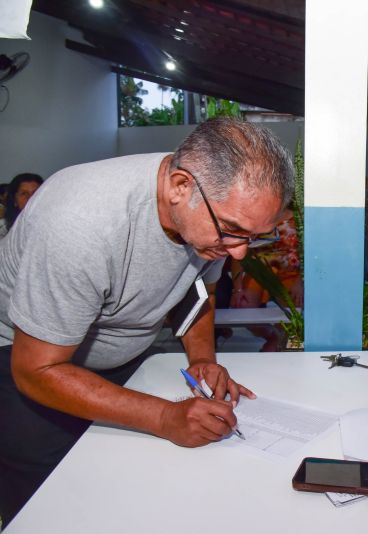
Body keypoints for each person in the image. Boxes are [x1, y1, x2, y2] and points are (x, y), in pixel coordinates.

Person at [0, 118, 294, 524]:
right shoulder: (80, 222)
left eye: (254, 237)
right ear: (179, 187)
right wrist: (163, 417)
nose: (240, 254)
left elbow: (198, 291)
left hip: (117, 360)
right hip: (25, 363)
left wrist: (202, 358)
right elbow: (36, 369)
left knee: (125, 489)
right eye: (232, 231)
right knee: (56, 505)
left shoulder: (205, 212)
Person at [229, 209, 302, 352]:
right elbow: (238, 253)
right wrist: (237, 288)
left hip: (290, 273)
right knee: (242, 306)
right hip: (258, 272)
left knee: (291, 310)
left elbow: (311, 253)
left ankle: (281, 342)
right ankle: (272, 336)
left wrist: (301, 283)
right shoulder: (256, 215)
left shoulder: (299, 218)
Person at [0, 173, 43, 239]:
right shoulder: (4, 230)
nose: (30, 198)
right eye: (24, 193)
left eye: (35, 193)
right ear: (14, 200)